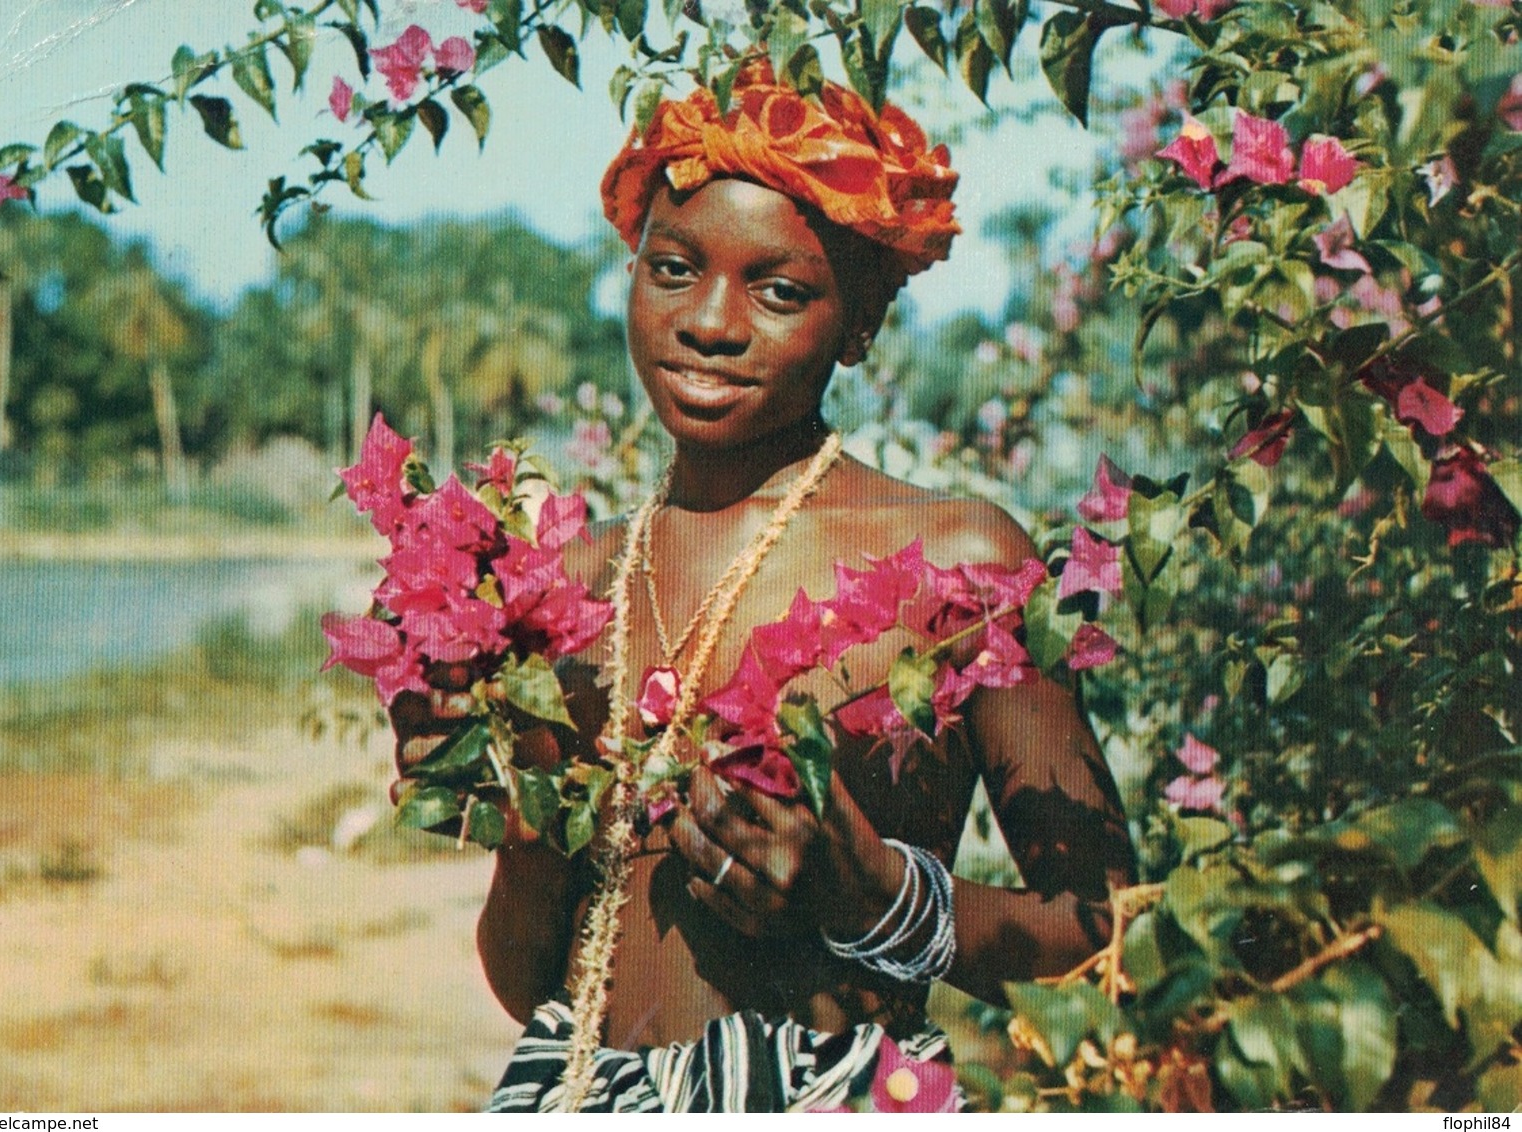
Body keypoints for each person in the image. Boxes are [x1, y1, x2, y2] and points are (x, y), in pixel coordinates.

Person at [391, 61, 1136, 1112]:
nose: (710, 323)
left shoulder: (957, 558)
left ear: (861, 322)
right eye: (673, 269)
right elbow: (536, 987)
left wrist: (873, 894)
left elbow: (1110, 926)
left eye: (778, 290)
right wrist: (523, 821)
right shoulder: (565, 581)